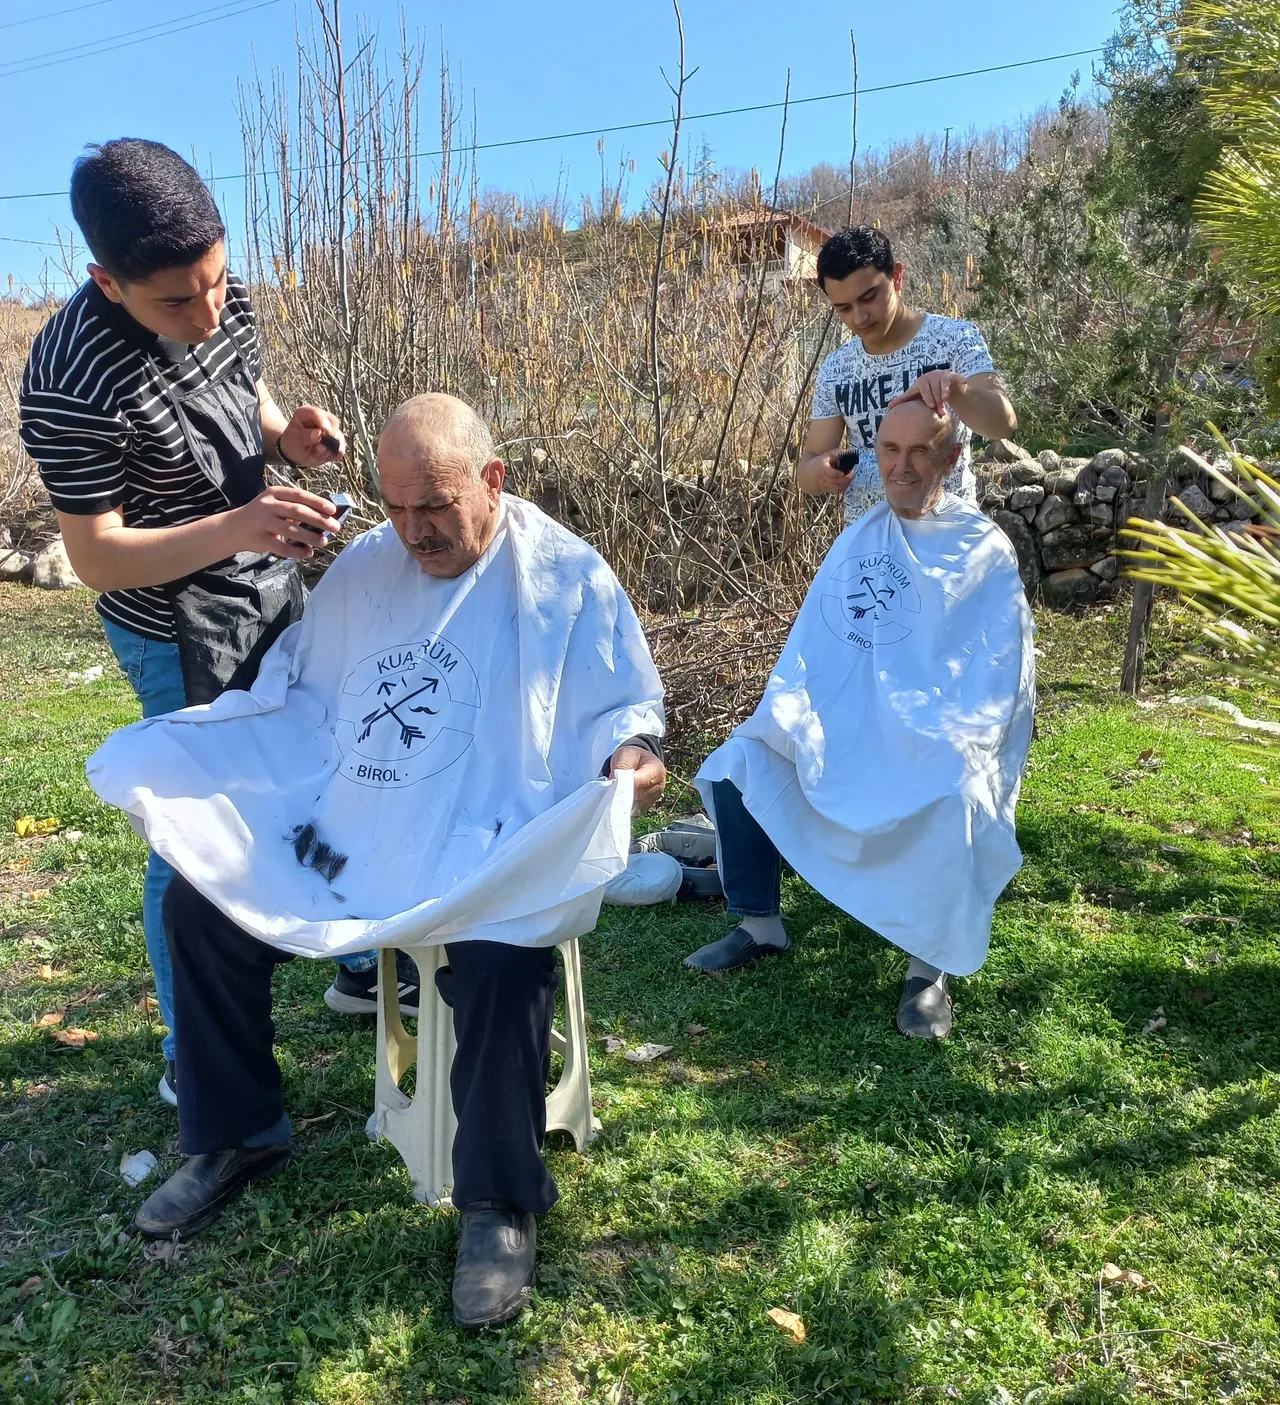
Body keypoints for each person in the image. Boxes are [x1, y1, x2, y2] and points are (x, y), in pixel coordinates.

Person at [90, 394, 667, 1329]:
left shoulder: (564, 577)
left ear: (493, 480)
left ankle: (497, 1202)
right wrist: (227, 742)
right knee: (200, 905)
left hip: (486, 835)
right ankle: (237, 1132)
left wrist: (633, 756)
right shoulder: (368, 565)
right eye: (395, 508)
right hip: (364, 825)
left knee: (504, 948)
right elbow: (304, 691)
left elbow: (625, 707)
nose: (413, 531)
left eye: (434, 506)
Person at [17, 139, 388, 1110]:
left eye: (218, 282)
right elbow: (96, 555)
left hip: (264, 578)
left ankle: (354, 962)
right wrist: (235, 525)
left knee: (314, 765)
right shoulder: (71, 376)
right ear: (107, 280)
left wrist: (286, 437)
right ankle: (195, 1049)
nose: (209, 312)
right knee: (193, 830)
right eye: (178, 302)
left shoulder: (217, 290)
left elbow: (244, 395)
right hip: (168, 622)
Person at [684, 399, 1035, 1040]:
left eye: (921, 451)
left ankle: (927, 969)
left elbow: (996, 668)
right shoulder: (861, 539)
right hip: (848, 722)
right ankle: (760, 923)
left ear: (952, 458)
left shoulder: (982, 550)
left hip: (937, 729)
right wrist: (793, 708)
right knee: (745, 758)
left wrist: (952, 735)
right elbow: (818, 650)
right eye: (890, 450)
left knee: (954, 792)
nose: (902, 467)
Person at [796, 224, 1016, 524]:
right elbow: (807, 469)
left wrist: (957, 390)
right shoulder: (836, 368)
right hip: (870, 541)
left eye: (869, 297)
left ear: (897, 277)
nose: (860, 317)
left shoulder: (955, 338)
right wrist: (819, 472)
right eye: (844, 308)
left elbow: (1003, 424)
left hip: (948, 533)